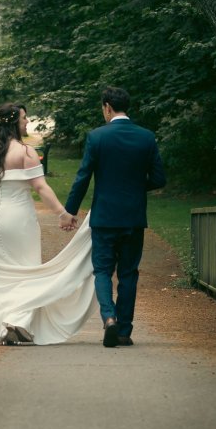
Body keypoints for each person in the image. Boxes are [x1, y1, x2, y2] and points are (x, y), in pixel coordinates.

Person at [0, 103, 97, 346]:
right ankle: (18, 321)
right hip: (18, 220)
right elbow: (40, 188)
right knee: (26, 270)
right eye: (24, 118)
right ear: (13, 123)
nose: (27, 122)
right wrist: (62, 214)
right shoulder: (26, 152)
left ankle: (4, 323)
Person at [61, 87, 166, 348]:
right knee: (128, 273)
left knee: (103, 271)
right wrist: (135, 187)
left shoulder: (97, 137)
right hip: (133, 217)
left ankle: (109, 318)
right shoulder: (146, 137)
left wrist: (70, 211)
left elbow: (83, 177)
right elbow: (159, 178)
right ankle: (124, 331)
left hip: (105, 217)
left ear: (107, 107)